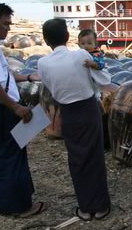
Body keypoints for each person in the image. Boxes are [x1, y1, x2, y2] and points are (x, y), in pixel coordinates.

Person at [0, 3, 48, 218]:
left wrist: (29, 77)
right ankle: (20, 206)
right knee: (11, 155)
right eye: (4, 24)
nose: (8, 30)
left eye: (9, 24)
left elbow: (1, 76)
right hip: (0, 110)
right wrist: (15, 107)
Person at [38, 19, 113, 220]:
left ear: (45, 40)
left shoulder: (42, 63)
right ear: (68, 37)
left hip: (68, 112)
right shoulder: (80, 54)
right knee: (94, 157)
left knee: (77, 159)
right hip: (88, 109)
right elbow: (105, 80)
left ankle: (85, 207)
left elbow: (49, 88)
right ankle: (100, 206)